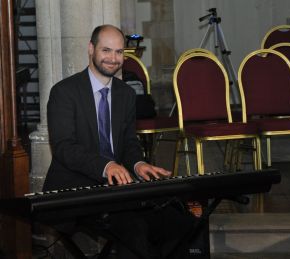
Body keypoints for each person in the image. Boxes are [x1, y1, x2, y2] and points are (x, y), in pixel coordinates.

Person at [44, 24, 197, 259]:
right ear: (91, 49)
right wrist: (107, 166)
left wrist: (138, 164)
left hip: (117, 189)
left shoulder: (125, 94)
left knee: (181, 222)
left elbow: (128, 143)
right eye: (106, 50)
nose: (113, 59)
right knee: (134, 227)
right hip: (74, 190)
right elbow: (65, 148)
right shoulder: (64, 92)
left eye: (119, 52)